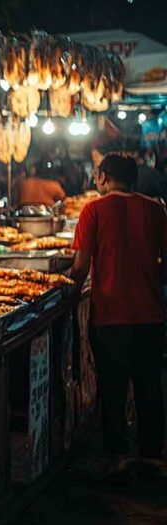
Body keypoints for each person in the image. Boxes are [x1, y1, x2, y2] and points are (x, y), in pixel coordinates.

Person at [70, 154, 166, 470]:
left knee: (113, 386)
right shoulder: (156, 210)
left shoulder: (93, 210)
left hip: (110, 315)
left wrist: (66, 290)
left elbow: (81, 266)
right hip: (150, 315)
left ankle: (118, 455)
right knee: (150, 385)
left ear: (103, 177)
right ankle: (152, 453)